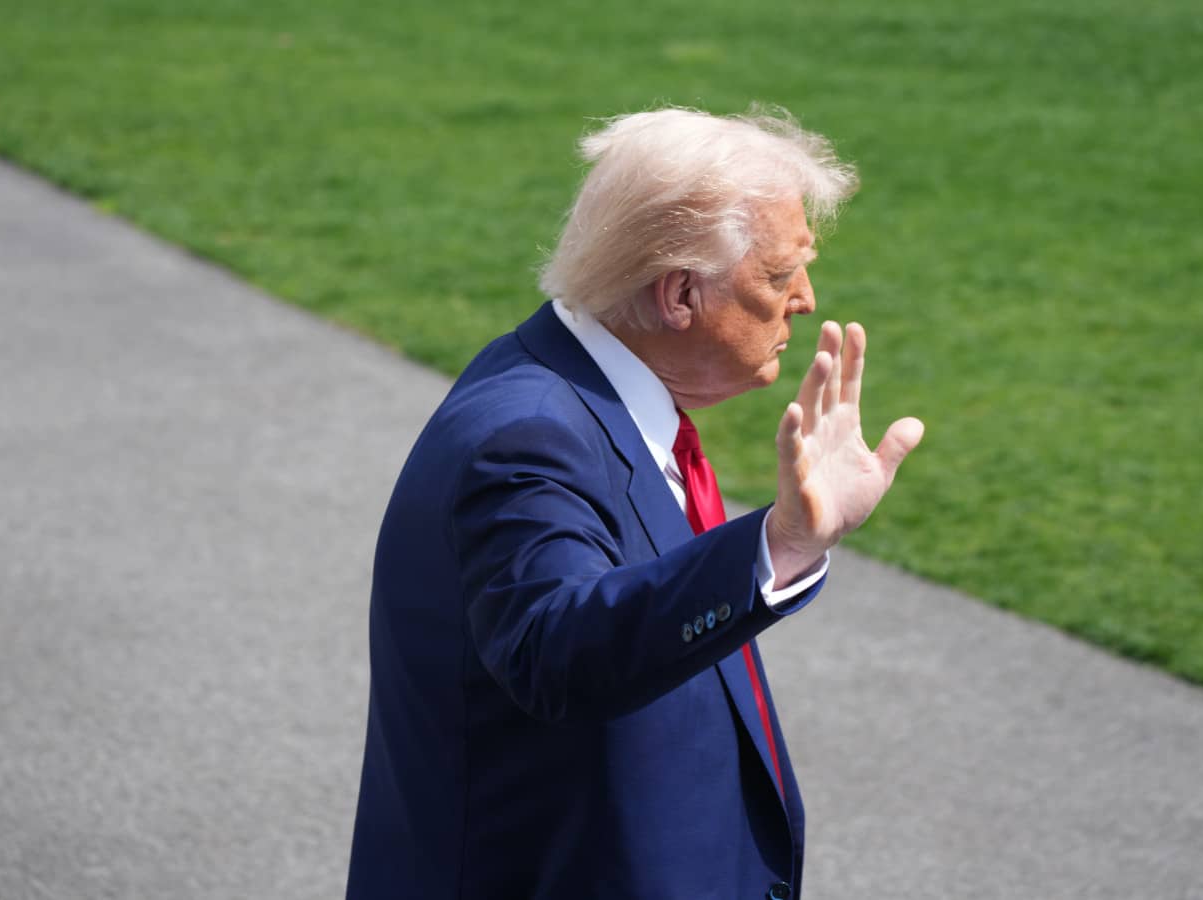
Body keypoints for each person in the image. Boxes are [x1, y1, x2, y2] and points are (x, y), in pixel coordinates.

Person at [345, 106, 923, 899]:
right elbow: (558, 650)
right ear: (679, 294)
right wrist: (777, 544)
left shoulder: (587, 390)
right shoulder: (527, 435)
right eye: (780, 274)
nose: (805, 299)